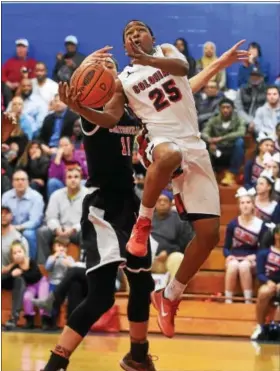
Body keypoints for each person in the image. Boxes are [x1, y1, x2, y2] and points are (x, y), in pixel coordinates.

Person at [61, 20, 249, 340]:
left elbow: (185, 70)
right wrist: (79, 107)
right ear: (124, 48)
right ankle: (143, 223)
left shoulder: (167, 53)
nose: (135, 34)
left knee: (207, 235)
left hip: (194, 146)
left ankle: (170, 294)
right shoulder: (123, 80)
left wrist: (219, 63)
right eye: (128, 34)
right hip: (157, 143)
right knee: (168, 155)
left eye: (140, 30)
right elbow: (108, 118)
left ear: (152, 37)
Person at [41, 57, 156, 371]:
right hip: (101, 208)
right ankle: (55, 363)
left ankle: (137, 357)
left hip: (129, 205)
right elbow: (101, 119)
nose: (114, 73)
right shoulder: (92, 118)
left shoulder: (132, 116)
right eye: (107, 72)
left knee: (143, 286)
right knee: (102, 296)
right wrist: (79, 103)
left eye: (114, 69)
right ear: (101, 86)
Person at [223, 187, 266, 304]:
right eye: (242, 203)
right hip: (235, 256)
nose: (245, 205)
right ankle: (228, 300)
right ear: (239, 206)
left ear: (253, 205)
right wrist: (228, 255)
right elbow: (226, 247)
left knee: (244, 267)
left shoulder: (260, 225)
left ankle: (248, 301)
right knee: (232, 266)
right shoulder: (233, 224)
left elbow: (264, 248)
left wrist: (255, 256)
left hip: (252, 257)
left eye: (248, 202)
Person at [251, 223, 280, 341]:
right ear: (277, 236)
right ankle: (260, 326)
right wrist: (268, 282)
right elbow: (260, 273)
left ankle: (276, 328)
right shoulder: (264, 253)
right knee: (263, 292)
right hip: (270, 283)